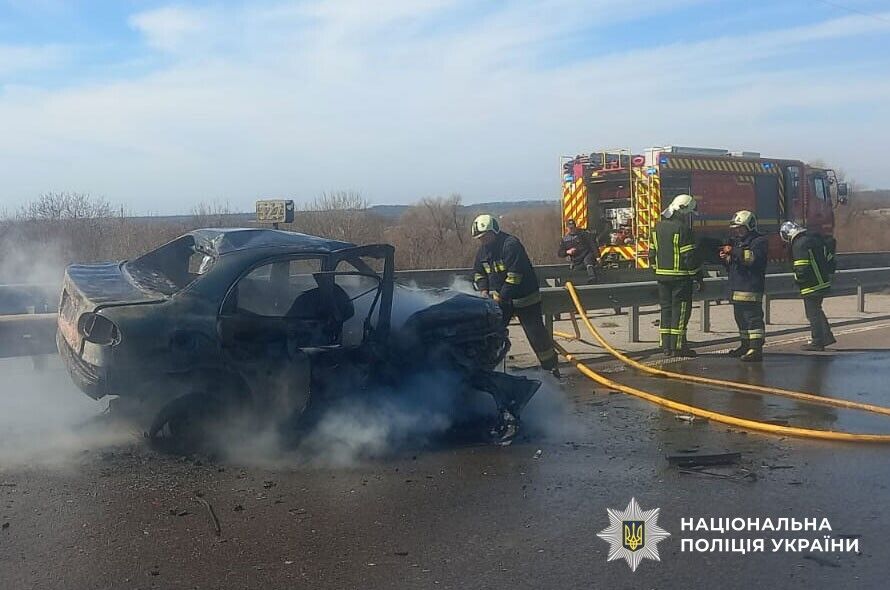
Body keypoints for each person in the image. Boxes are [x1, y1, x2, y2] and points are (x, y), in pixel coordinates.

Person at [471, 214, 560, 377]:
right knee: (493, 335)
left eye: (485, 236)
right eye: (480, 238)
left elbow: (515, 275)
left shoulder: (510, 245)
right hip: (502, 301)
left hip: (525, 299)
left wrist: (500, 296)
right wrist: (483, 290)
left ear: (494, 231)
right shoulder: (483, 251)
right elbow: (478, 273)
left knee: (536, 335)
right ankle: (491, 372)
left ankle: (551, 369)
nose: (482, 241)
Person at [649, 194, 704, 358]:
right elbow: (689, 258)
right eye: (688, 214)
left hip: (662, 278)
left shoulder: (657, 227)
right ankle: (678, 347)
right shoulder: (683, 230)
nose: (688, 218)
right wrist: (698, 276)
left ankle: (666, 346)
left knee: (666, 310)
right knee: (680, 312)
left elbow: (651, 254)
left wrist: (657, 271)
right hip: (680, 278)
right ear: (683, 211)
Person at [780, 221, 837, 351]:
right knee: (817, 310)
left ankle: (817, 341)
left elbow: (802, 267)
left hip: (811, 284)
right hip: (822, 281)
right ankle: (827, 337)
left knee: (812, 314)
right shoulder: (811, 240)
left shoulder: (799, 244)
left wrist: (798, 279)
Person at [719, 210, 768, 362]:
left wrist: (733, 251)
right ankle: (745, 345)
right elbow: (734, 265)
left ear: (750, 226)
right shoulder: (737, 242)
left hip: (750, 288)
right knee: (740, 319)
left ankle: (756, 348)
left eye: (741, 228)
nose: (738, 231)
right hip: (737, 287)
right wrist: (726, 258)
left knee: (753, 319)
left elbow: (751, 259)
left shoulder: (759, 241)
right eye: (736, 229)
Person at [558, 219, 599, 283]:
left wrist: (597, 257)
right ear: (567, 228)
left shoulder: (583, 234)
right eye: (570, 228)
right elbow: (560, 253)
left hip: (587, 255)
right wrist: (567, 252)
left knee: (588, 261)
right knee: (577, 269)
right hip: (577, 260)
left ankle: (592, 277)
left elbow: (592, 244)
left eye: (573, 227)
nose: (572, 229)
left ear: (575, 227)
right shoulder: (565, 239)